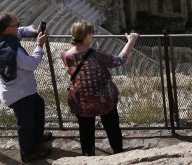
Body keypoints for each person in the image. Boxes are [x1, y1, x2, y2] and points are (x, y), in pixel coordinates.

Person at [60, 20, 139, 156]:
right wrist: (130, 42)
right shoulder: (97, 55)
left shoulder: (65, 55)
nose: (93, 35)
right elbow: (119, 60)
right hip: (102, 98)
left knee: (85, 130)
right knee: (112, 127)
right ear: (86, 36)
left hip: (81, 99)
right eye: (92, 33)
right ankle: (118, 152)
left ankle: (88, 156)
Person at [0, 13, 52, 163]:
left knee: (38, 107)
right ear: (8, 29)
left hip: (19, 91)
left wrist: (34, 32)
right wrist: (39, 44)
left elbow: (20, 31)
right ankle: (28, 154)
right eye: (16, 24)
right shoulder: (13, 52)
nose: (19, 26)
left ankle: (36, 137)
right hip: (20, 94)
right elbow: (32, 64)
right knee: (25, 124)